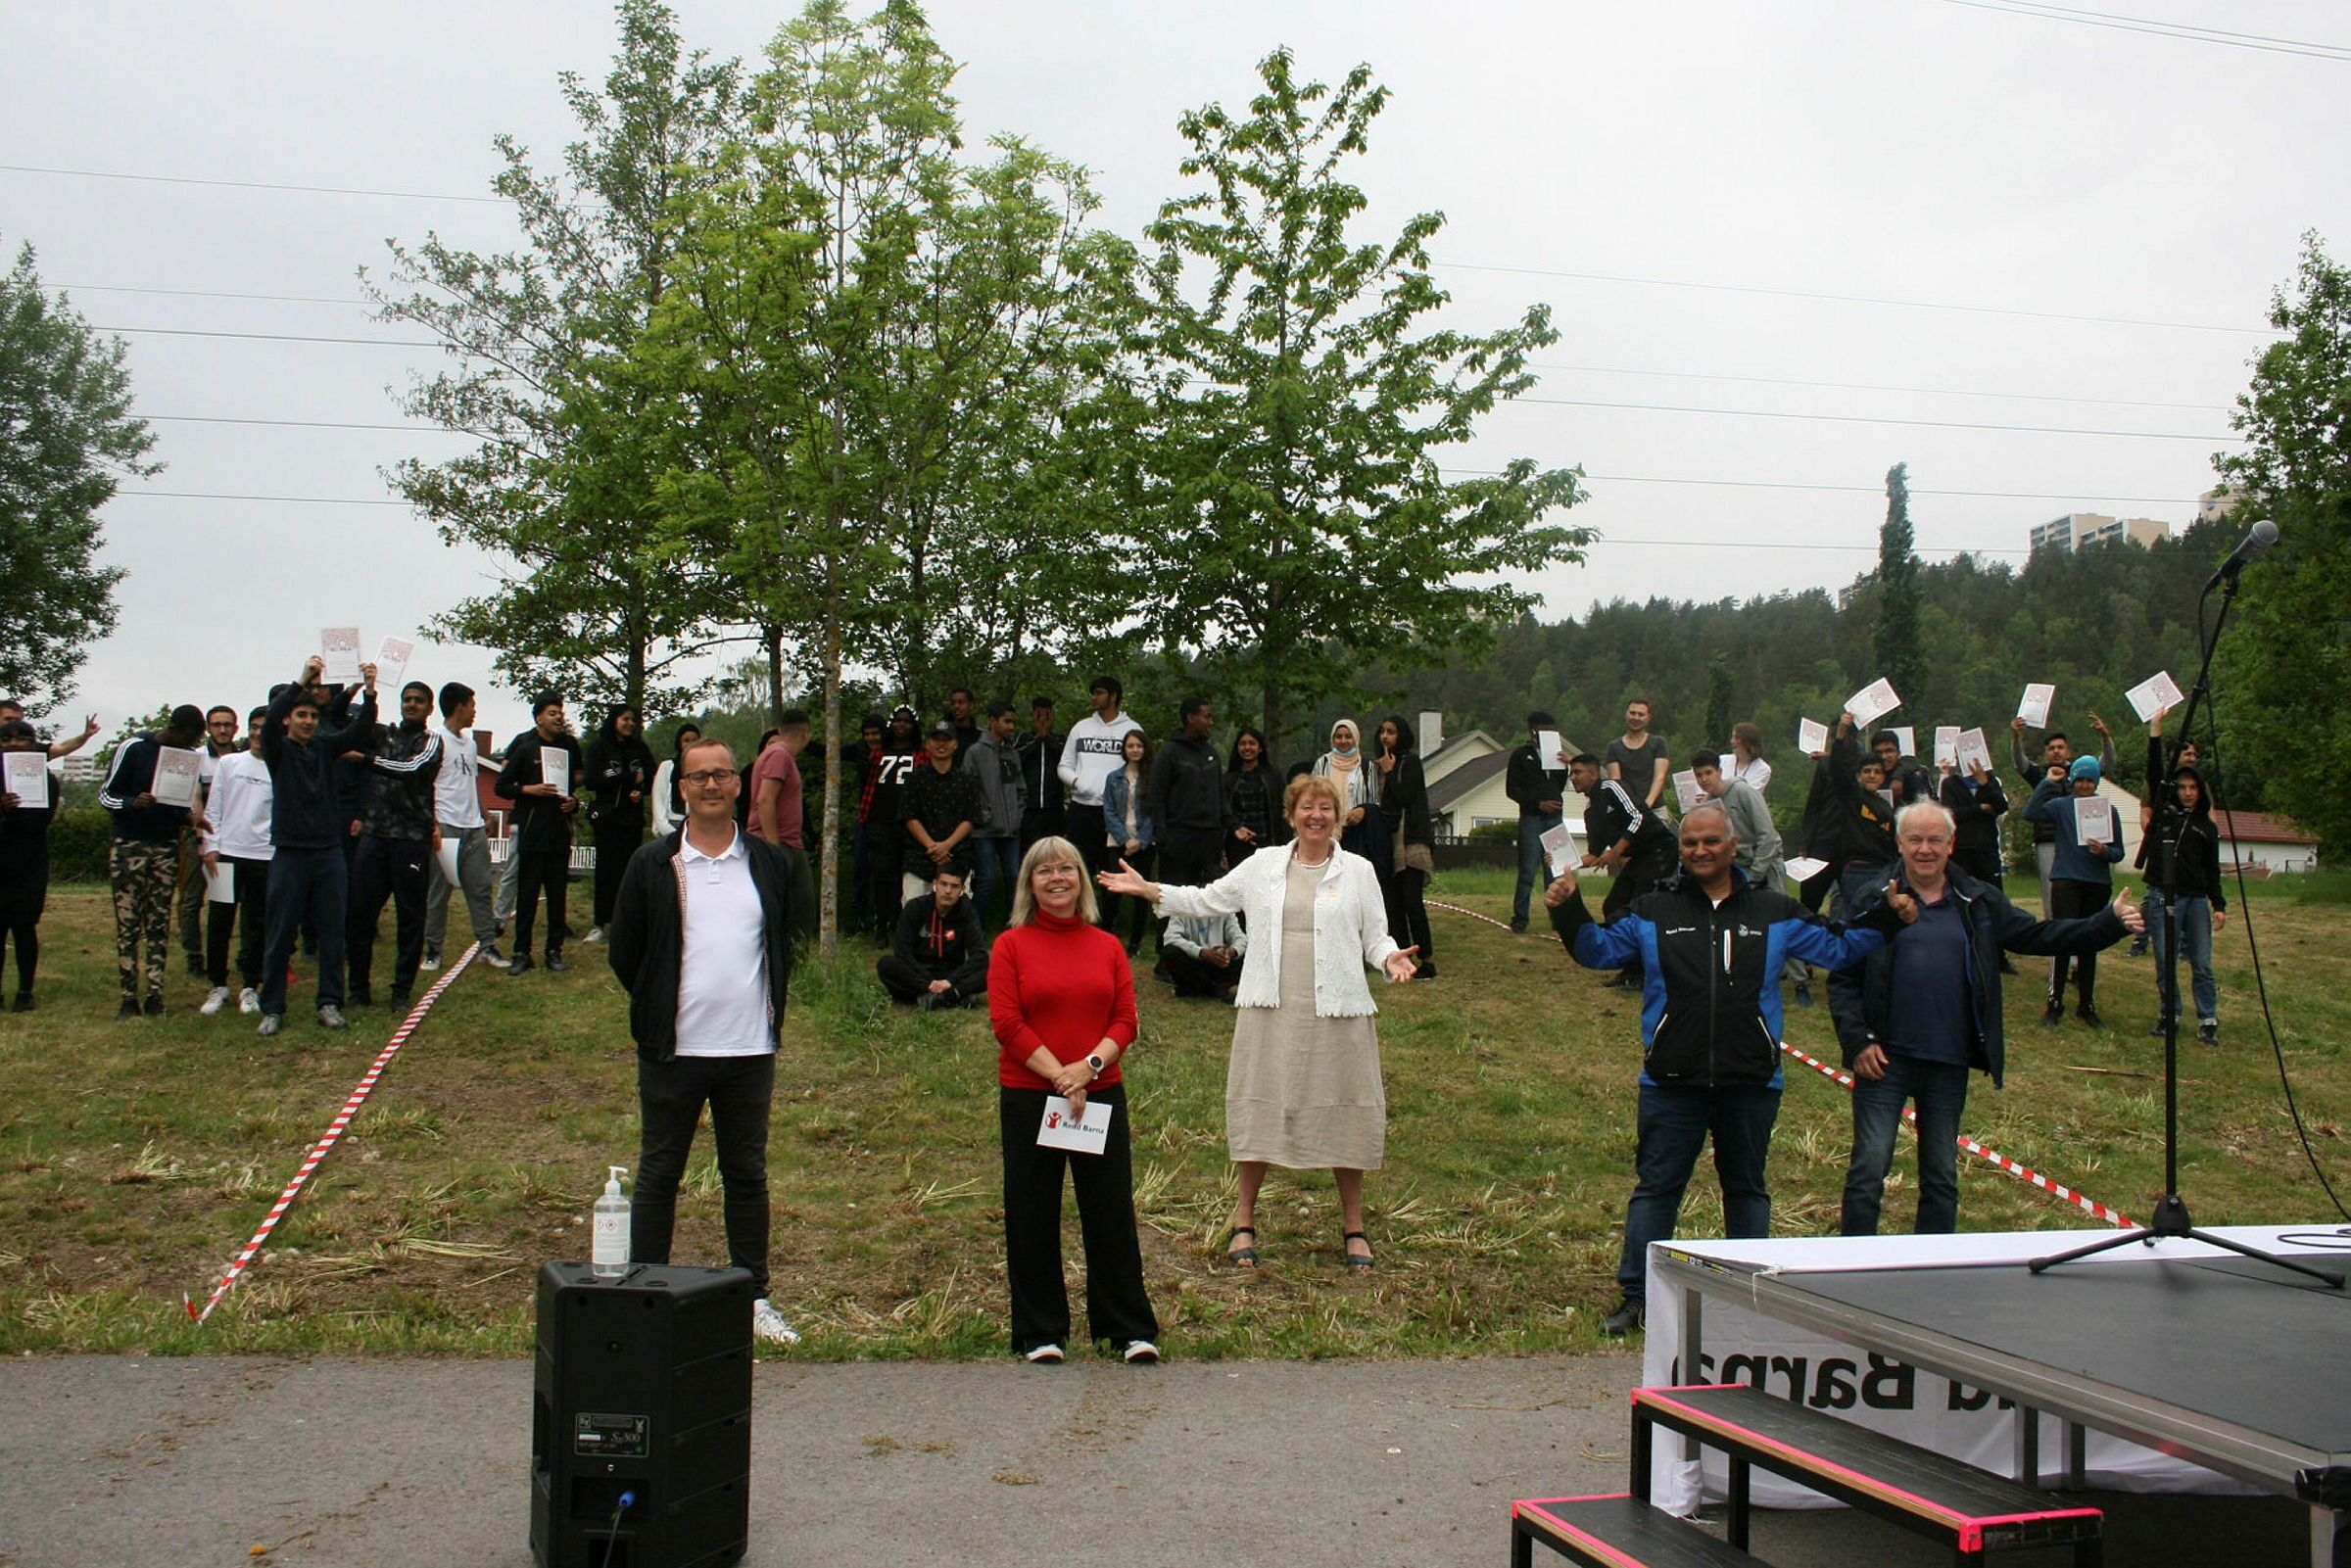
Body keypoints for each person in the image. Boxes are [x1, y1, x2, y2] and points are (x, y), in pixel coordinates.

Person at [1544, 801, 1888, 1335]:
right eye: (1689, 843)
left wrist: (1890, 915)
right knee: (1656, 1189)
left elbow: (1842, 950)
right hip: (1670, 1080)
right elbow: (1597, 951)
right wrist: (1568, 910)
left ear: (1733, 846)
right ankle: (1638, 1299)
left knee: (1746, 1190)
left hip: (1750, 1079)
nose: (1699, 851)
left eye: (1710, 842)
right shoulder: (1653, 909)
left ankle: (1746, 1298)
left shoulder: (1776, 910)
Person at [1098, 773, 1418, 1272]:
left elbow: (1375, 937)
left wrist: (1390, 957)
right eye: (1306, 808)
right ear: (1292, 815)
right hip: (1271, 1006)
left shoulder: (1359, 871)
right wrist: (1151, 890)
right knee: (1261, 1108)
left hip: (1338, 1008)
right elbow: (1209, 900)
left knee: (1345, 1112)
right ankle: (1244, 1219)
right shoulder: (1263, 864)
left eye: (1326, 809)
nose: (1316, 817)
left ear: (1337, 817)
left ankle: (1354, 1227)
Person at [1835, 801, 2140, 1236]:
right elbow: (1843, 975)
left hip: (1948, 1060)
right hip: (1884, 1059)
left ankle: (1934, 1267)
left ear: (1950, 844)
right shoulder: (1871, 897)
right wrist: (1858, 1040)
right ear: (1899, 843)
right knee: (1868, 1171)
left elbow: (2038, 935)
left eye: (1935, 840)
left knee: (1941, 1176)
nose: (1925, 849)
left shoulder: (1977, 899)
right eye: (1915, 840)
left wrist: (2107, 923)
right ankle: (1852, 1264)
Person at [606, 736, 800, 1347]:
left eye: (721, 775)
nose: (711, 785)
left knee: (746, 1174)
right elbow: (625, 953)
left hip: (747, 1049)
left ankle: (755, 1296)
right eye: (699, 777)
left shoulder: (769, 863)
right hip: (674, 1049)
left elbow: (781, 942)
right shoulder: (652, 864)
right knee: (660, 1172)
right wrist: (662, 1005)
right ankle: (645, 1293)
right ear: (681, 789)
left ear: (739, 785)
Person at [986, 835, 1160, 1364]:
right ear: (1029, 884)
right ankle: (1040, 1333)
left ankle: (1125, 1329)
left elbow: (1125, 1021)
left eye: (1068, 868)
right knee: (1032, 1214)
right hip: (1029, 1097)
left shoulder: (1107, 945)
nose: (1058, 878)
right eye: (1045, 872)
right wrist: (1061, 1079)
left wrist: (1087, 1069)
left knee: (1109, 1213)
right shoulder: (1009, 945)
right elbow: (1007, 1023)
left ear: (1082, 879)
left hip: (1099, 1095)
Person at [256, 659, 380, 1035]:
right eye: (300, 715)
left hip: (328, 852)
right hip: (290, 852)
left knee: (332, 933)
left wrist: (370, 689)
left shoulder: (325, 748)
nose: (308, 721)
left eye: (312, 715)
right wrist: (302, 679)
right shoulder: (278, 751)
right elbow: (272, 714)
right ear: (287, 720)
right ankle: (273, 1007)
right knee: (280, 933)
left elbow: (359, 730)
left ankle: (329, 1002)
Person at [98, 702, 207, 1018]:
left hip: (165, 846)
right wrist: (132, 802)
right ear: (175, 730)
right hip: (129, 844)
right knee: (129, 923)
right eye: (189, 739)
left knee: (159, 921)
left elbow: (177, 802)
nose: (191, 747)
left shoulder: (186, 758)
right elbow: (106, 794)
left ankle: (155, 994)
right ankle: (128, 995)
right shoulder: (133, 748)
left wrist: (190, 819)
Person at [345, 681, 445, 1009]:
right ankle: (359, 989)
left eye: (419, 700)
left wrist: (367, 760)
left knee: (410, 917)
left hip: (411, 838)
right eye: (406, 699)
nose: (411, 705)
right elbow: (342, 721)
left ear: (430, 708)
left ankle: (401, 989)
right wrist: (366, 691)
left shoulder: (432, 741)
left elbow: (413, 769)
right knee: (360, 914)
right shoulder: (382, 735)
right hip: (375, 834)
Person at [2023, 755, 2125, 1027]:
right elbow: (2030, 813)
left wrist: (2105, 851)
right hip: (2066, 880)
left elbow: (2119, 853)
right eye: (2079, 779)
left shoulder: (2108, 811)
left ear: (2096, 782)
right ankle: (2054, 1003)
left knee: (2089, 944)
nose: (2084, 785)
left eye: (2089, 780)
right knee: (2061, 940)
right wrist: (2047, 782)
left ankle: (2086, 1004)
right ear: (2072, 781)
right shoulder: (2060, 806)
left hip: (2097, 882)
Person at [420, 683, 510, 973]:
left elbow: (471, 781)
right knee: (439, 892)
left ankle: (487, 946)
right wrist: (432, 823)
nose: (474, 711)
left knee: (481, 888)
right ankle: (433, 949)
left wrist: (484, 814)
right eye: (472, 705)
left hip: (473, 827)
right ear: (459, 706)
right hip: (445, 826)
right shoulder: (434, 739)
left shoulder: (470, 744)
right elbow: (425, 785)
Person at [1566, 752, 1676, 989]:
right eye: (1570, 773)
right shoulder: (1590, 811)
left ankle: (1646, 972)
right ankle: (1631, 967)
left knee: (1639, 910)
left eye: (1577, 772)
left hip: (1659, 850)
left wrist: (1616, 852)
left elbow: (1638, 817)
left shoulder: (1611, 787)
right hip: (1638, 857)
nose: (1572, 777)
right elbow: (1595, 853)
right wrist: (1564, 862)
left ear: (1594, 773)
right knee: (1612, 906)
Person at [495, 691, 586, 976]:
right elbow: (501, 786)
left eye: (560, 712)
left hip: (559, 832)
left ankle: (554, 951)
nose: (558, 717)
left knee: (557, 895)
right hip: (533, 831)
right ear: (538, 718)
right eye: (552, 713)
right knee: (527, 894)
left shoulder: (569, 748)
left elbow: (572, 787)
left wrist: (574, 803)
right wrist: (528, 790)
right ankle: (522, 952)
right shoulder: (525, 748)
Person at [195, 707, 274, 1016]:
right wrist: (211, 847)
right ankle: (218, 985)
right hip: (226, 855)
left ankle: (250, 986)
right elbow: (213, 808)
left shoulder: (280, 767)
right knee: (219, 921)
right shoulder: (229, 764)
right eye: (254, 728)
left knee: (257, 923)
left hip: (264, 856)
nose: (257, 734)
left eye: (264, 729)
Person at [2143, 759, 2227, 1044]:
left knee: (2202, 962)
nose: (2188, 793)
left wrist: (2219, 905)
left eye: (2194, 788)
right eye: (2182, 787)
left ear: (2201, 791)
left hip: (2195, 900)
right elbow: (2154, 778)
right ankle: (2170, 1015)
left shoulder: (2207, 827)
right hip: (2163, 895)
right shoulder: (2164, 819)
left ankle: (2208, 1018)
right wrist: (2156, 734)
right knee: (2165, 961)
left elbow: (2212, 869)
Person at [2010, 712, 2114, 919]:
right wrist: (2015, 738)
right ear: (2046, 753)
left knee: (2084, 894)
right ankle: (2055, 937)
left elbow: (2105, 764)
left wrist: (2105, 736)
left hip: (2080, 841)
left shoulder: (2081, 771)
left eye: (2060, 747)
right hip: (2048, 839)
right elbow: (2020, 763)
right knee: (2053, 894)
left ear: (2068, 750)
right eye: (2051, 748)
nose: (2056, 751)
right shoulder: (2039, 773)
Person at [176, 704, 245, 976]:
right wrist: (203, 835)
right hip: (199, 838)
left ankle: (233, 956)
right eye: (217, 724)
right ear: (208, 728)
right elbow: (193, 799)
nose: (223, 729)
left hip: (233, 841)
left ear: (235, 728)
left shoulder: (243, 759)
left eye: (227, 724)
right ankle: (194, 956)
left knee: (226, 900)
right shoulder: (196, 758)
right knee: (192, 900)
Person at [1056, 677, 1141, 887]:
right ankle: (1077, 917)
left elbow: (1141, 768)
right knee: (1077, 869)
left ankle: (1107, 921)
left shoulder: (1130, 729)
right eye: (1093, 693)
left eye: (1099, 693)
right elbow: (1063, 766)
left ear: (1113, 696)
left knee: (1111, 872)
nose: (1094, 697)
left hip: (1114, 814)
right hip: (1081, 811)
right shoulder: (1081, 728)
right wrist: (1077, 782)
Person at [0, 720, 60, 1011]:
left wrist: (11, 814)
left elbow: (38, 822)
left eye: (21, 738)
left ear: (34, 743)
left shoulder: (46, 780)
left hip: (29, 864)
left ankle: (25, 991)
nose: (13, 744)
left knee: (24, 928)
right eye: (7, 739)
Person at [584, 704, 654, 943]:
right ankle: (600, 923)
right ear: (614, 720)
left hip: (631, 819)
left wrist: (640, 790)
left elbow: (651, 776)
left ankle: (628, 922)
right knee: (606, 871)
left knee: (630, 871)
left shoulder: (639, 747)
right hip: (606, 818)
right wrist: (624, 778)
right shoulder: (599, 747)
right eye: (625, 719)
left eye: (632, 720)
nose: (629, 724)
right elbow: (591, 781)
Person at [878, 858, 990, 1008]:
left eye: (954, 886)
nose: (948, 891)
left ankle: (941, 996)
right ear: (935, 884)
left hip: (951, 973)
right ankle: (950, 996)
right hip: (919, 972)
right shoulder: (915, 908)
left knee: (995, 968)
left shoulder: (967, 912)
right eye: (943, 884)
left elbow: (979, 955)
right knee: (886, 964)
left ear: (962, 889)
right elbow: (903, 953)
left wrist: (949, 981)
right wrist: (929, 983)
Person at [1374, 715, 1436, 980]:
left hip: (1410, 840)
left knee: (1412, 902)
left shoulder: (1410, 762)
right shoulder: (1378, 766)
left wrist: (1390, 772)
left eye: (1391, 732)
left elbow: (1405, 797)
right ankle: (1403, 957)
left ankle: (1428, 960)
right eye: (1382, 731)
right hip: (1388, 841)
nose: (1385, 736)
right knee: (1394, 903)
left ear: (1401, 736)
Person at [903, 719, 984, 907]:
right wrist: (932, 846)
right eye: (936, 739)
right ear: (927, 744)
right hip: (919, 856)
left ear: (955, 744)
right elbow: (909, 816)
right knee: (913, 910)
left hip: (957, 856)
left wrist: (946, 845)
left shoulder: (967, 780)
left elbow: (971, 818)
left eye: (946, 740)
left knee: (956, 916)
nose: (941, 744)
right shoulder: (915, 778)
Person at [1151, 697, 1224, 899]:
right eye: (1206, 717)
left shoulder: (1212, 754)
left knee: (1206, 899)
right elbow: (1157, 796)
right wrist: (1163, 838)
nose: (1211, 722)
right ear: (1191, 718)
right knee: (1173, 899)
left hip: (1209, 840)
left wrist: (1225, 829)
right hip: (1178, 839)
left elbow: (1220, 795)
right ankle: (1168, 932)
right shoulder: (1169, 753)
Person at [962, 702, 1026, 927]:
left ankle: (1013, 927)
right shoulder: (975, 752)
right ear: (992, 720)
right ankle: (975, 928)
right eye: (1007, 721)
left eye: (1013, 722)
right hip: (984, 831)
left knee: (1015, 878)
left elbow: (1020, 789)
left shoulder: (1012, 753)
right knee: (986, 880)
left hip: (1011, 831)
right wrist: (984, 815)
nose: (1011, 726)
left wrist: (1017, 817)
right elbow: (968, 790)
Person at [1505, 711, 1568, 933]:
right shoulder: (1521, 755)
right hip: (1532, 818)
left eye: (1551, 730)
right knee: (1528, 870)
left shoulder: (1557, 755)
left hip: (1555, 817)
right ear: (1533, 731)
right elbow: (1512, 790)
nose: (1548, 734)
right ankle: (1520, 918)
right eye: (1544, 730)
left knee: (1556, 870)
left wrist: (1565, 766)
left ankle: (1559, 917)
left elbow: (1559, 786)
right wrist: (1537, 803)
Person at [863, 706, 923, 941]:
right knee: (882, 875)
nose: (901, 725)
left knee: (905, 876)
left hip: (909, 825)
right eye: (897, 721)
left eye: (907, 721)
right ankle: (881, 925)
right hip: (880, 823)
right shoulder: (878, 753)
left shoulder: (921, 753)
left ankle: (901, 925)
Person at [1098, 730, 1158, 954]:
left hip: (1145, 843)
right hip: (1117, 842)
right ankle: (1105, 938)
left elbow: (1154, 813)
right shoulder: (1113, 777)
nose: (1135, 750)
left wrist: (1140, 841)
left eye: (1139, 746)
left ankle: (1135, 944)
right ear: (1124, 749)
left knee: (1142, 894)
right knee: (1112, 890)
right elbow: (1109, 811)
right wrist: (1125, 839)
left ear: (1145, 748)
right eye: (1130, 746)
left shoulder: (1153, 778)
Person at [1161, 902, 1247, 1003]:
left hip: (1219, 962)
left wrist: (1231, 952)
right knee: (1169, 952)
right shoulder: (1182, 907)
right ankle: (1214, 989)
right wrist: (1201, 952)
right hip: (1194, 964)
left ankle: (1198, 989)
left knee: (1249, 952)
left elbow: (1241, 938)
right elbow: (1170, 938)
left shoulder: (1226, 909)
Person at [1223, 726, 1281, 869]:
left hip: (1268, 843)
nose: (1247, 747)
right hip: (1238, 845)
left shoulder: (1273, 777)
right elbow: (1223, 809)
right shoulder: (1228, 779)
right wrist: (1236, 827)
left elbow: (1282, 808)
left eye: (1252, 743)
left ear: (1260, 748)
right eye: (1243, 744)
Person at [1015, 696, 1067, 857]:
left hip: (1054, 807)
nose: (1042, 719)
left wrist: (1047, 737)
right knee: (1029, 852)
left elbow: (1066, 758)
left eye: (1046, 715)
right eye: (1038, 715)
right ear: (1032, 716)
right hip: (1029, 808)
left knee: (1054, 851)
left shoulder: (1060, 739)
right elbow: (1015, 758)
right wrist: (1038, 738)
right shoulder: (1023, 738)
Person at [1606, 698, 1670, 818]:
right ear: (1626, 714)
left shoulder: (1658, 743)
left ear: (1648, 718)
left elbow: (1659, 778)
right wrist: (1630, 809)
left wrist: (1646, 806)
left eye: (1641, 715)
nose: (1636, 718)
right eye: (1632, 713)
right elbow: (1616, 781)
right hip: (1625, 810)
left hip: (1655, 809)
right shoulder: (1614, 747)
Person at [0, 700, 100, 763]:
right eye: (8, 719)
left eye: (17, 720)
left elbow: (63, 748)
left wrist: (84, 736)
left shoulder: (33, 748)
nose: (12, 723)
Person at [649, 722, 700, 841]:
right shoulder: (667, 767)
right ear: (679, 743)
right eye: (686, 740)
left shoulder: (703, 771)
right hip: (669, 827)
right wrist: (673, 834)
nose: (690, 744)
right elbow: (659, 803)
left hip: (695, 829)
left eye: (694, 740)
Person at [1869, 730, 1936, 807]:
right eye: (1879, 752)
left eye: (1889, 751)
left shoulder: (1910, 776)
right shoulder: (1867, 776)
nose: (1884, 757)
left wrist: (1899, 777)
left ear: (1899, 753)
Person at [1726, 721, 1772, 796]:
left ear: (1748, 742)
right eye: (1732, 737)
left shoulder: (1763, 769)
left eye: (1737, 738)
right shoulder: (1722, 761)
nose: (1732, 741)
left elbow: (1748, 796)